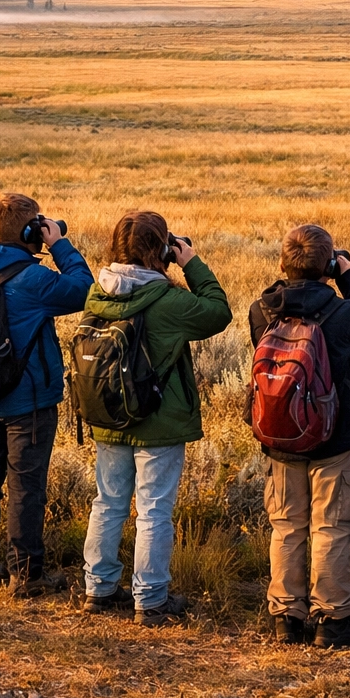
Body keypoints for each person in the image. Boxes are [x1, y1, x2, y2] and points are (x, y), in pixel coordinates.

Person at [80, 211, 232, 626]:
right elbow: (218, 312)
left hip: (108, 415)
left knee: (107, 503)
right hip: (159, 421)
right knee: (153, 510)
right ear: (160, 250)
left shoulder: (99, 292)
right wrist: (192, 263)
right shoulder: (168, 302)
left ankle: (99, 588)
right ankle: (149, 598)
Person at [247, 225, 350, 648]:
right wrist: (349, 276)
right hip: (334, 435)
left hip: (279, 435)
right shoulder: (343, 314)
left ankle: (286, 617)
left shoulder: (262, 310)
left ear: (282, 264)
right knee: (331, 526)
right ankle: (331, 618)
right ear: (328, 266)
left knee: (286, 525)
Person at [0, 193, 93, 596]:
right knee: (25, 485)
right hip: (28, 399)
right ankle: (27, 574)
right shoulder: (32, 279)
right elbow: (84, 289)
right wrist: (59, 245)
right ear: (31, 230)